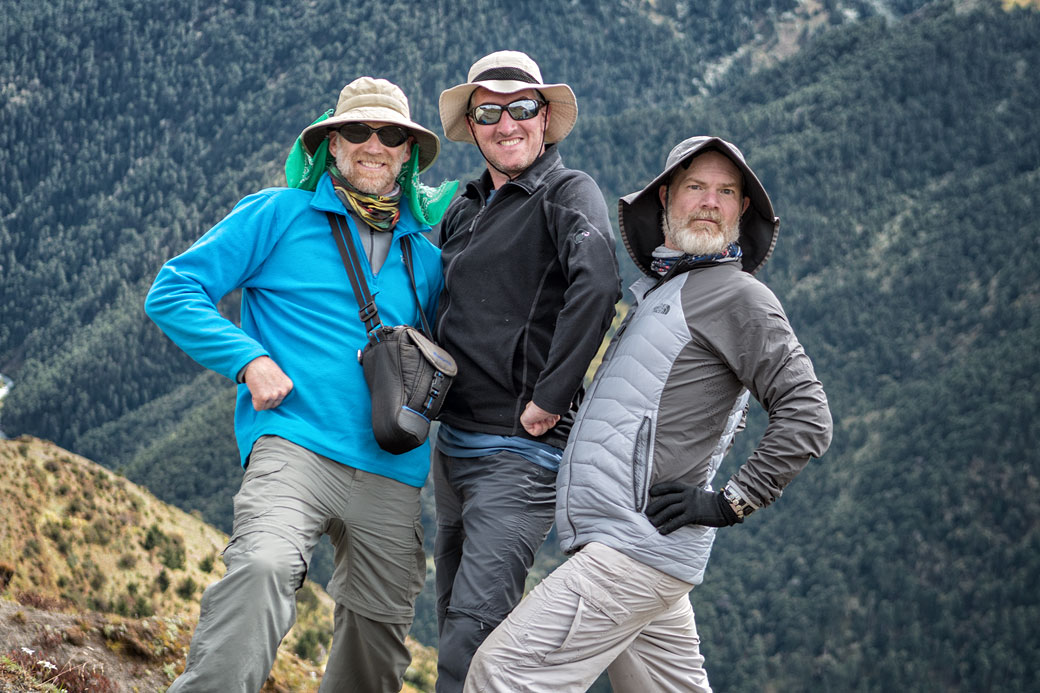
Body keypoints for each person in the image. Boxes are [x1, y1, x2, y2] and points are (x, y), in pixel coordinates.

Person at [465, 136, 834, 692]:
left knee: (504, 675)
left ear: (741, 211)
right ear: (665, 198)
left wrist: (727, 503)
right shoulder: (666, 292)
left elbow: (808, 414)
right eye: (696, 187)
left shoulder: (739, 297)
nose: (711, 202)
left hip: (634, 547)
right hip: (647, 549)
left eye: (727, 192)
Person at [145, 77, 451, 693]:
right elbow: (173, 291)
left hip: (392, 467)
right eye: (355, 131)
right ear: (330, 145)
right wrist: (248, 359)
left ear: (407, 152)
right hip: (295, 445)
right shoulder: (278, 213)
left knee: (380, 636)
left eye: (390, 135)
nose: (374, 144)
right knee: (261, 567)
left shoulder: (429, 258)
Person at [431, 50, 621, 691]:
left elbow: (597, 285)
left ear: (545, 119)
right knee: (452, 611)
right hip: (451, 445)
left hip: (519, 451)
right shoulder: (465, 204)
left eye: (521, 108)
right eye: (489, 111)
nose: (505, 123)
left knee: (474, 630)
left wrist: (550, 396)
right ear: (474, 124)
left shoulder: (568, 193)